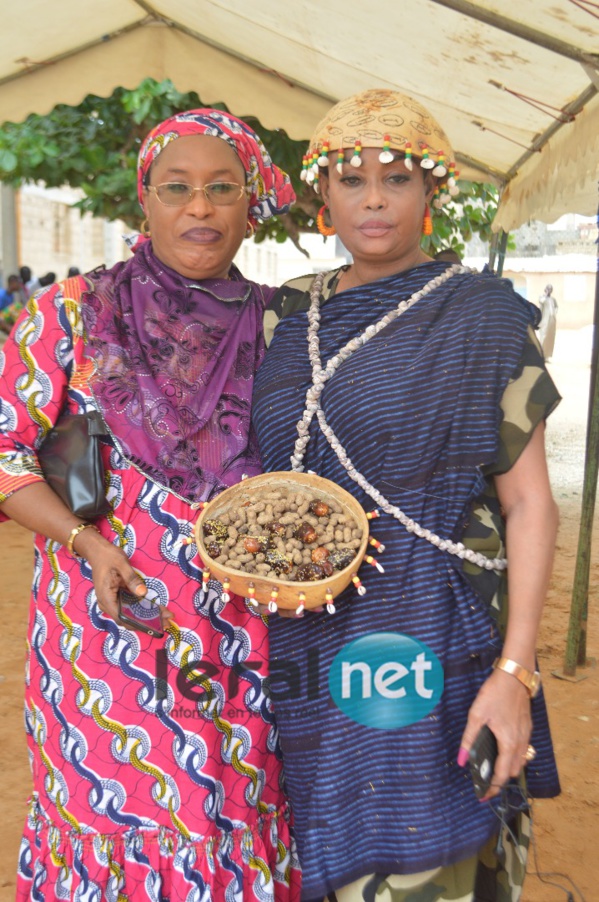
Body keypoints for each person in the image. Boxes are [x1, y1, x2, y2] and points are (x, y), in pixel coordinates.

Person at [252, 89, 560, 901]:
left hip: (429, 631)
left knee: (417, 851)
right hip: (304, 629)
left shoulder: (482, 317)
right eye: (351, 181)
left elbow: (529, 503)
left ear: (432, 194)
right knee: (318, 838)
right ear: (324, 197)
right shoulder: (287, 317)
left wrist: (515, 673)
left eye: (396, 178)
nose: (375, 199)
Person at [0, 109, 300, 901]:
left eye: (220, 189)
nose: (198, 209)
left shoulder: (287, 326)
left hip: (244, 641)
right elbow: (4, 451)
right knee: (114, 828)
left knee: (231, 818)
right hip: (102, 640)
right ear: (146, 202)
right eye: (177, 189)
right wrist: (86, 540)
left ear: (248, 206)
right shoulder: (67, 315)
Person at [537, 283, 558, 361]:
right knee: (543, 337)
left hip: (552, 321)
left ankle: (547, 356)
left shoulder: (553, 299)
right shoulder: (542, 297)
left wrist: (554, 314)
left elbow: (556, 307)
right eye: (548, 289)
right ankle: (542, 355)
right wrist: (545, 295)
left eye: (550, 289)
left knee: (550, 338)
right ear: (545, 289)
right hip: (544, 321)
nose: (549, 291)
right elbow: (541, 302)